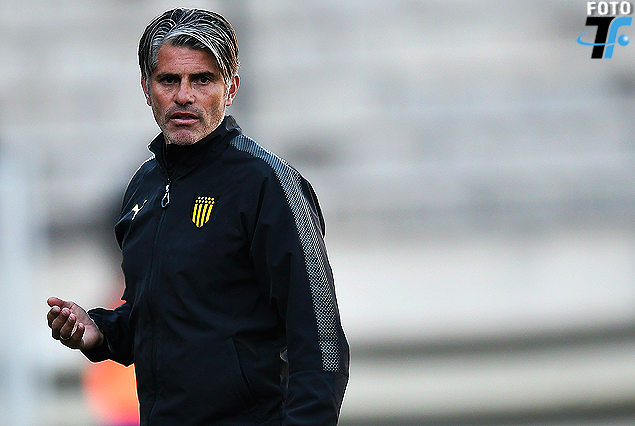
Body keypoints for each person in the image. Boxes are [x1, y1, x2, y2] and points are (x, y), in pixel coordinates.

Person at [46, 8, 349, 426]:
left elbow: (322, 341)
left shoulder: (269, 185)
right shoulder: (142, 189)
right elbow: (160, 318)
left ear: (231, 88)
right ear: (146, 88)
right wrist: (100, 331)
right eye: (169, 80)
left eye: (202, 80)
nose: (184, 95)